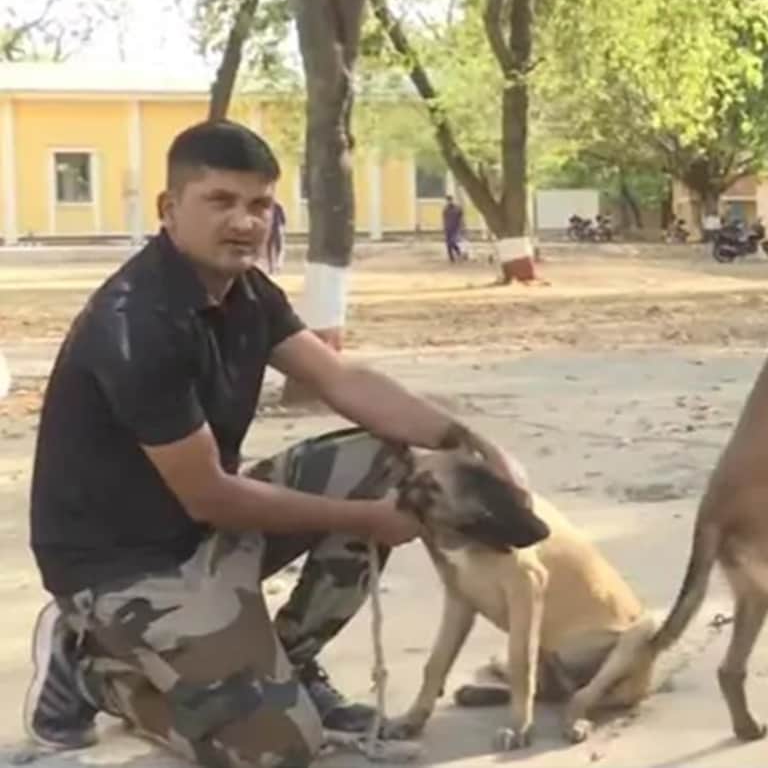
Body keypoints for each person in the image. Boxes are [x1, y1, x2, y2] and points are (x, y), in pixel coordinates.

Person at [23, 120, 524, 763]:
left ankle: (290, 661)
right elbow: (210, 496)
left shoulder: (245, 292)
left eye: (259, 205)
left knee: (392, 464)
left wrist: (470, 443)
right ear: (169, 210)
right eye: (221, 201)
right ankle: (95, 670)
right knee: (278, 749)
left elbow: (340, 380)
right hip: (123, 566)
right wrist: (370, 520)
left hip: (198, 531)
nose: (245, 222)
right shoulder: (136, 325)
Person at [442, 194, 464, 263]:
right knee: (448, 243)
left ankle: (458, 252)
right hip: (448, 228)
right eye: (448, 201)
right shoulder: (445, 209)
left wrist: (461, 226)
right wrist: (444, 227)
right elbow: (444, 219)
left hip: (455, 227)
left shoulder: (457, 209)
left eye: (450, 200)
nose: (449, 202)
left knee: (452, 241)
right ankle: (451, 257)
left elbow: (460, 216)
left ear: (452, 200)